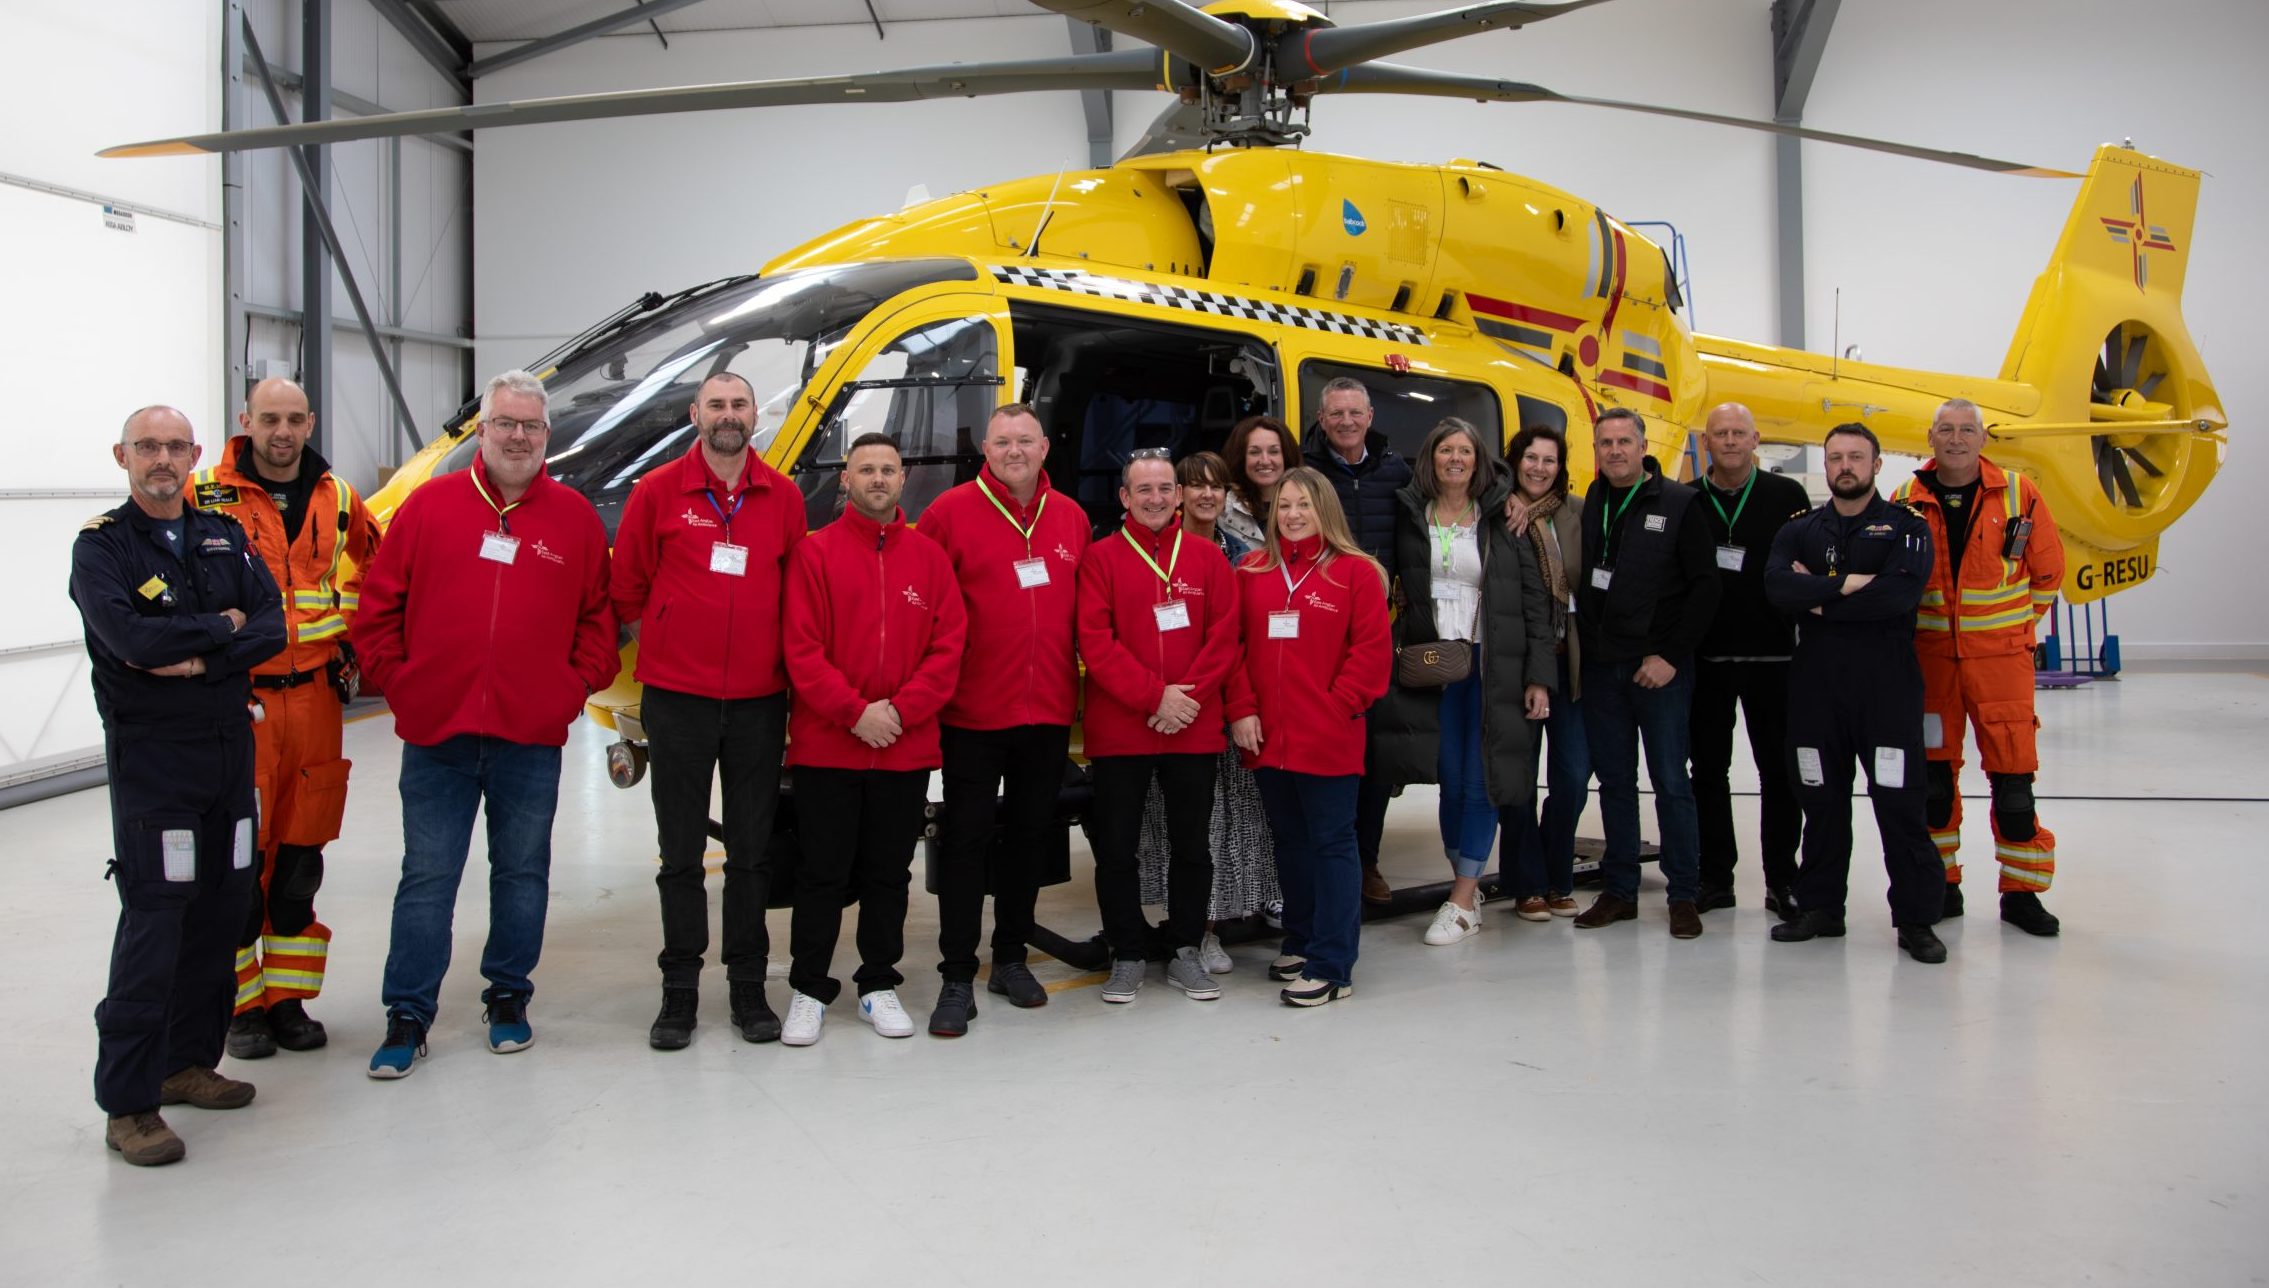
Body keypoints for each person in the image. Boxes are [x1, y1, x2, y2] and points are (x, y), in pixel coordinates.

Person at [353, 370, 620, 1078]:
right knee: (428, 878)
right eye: (506, 423)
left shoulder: (572, 520)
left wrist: (568, 690)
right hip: (437, 735)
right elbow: (375, 611)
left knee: (523, 874)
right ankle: (407, 1013)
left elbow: (599, 622)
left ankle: (508, 996)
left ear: (546, 437)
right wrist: (404, 688)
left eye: (531, 426)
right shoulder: (429, 509)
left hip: (528, 739)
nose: (518, 437)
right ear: (481, 430)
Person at [72, 405, 286, 1166]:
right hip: (155, 760)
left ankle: (186, 1062)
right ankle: (129, 1104)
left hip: (227, 749)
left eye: (174, 446)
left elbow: (272, 623)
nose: (162, 458)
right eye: (148, 447)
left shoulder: (221, 534)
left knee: (223, 907)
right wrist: (223, 633)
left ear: (195, 454)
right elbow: (129, 639)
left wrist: (198, 656)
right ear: (123, 456)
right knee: (156, 919)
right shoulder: (101, 548)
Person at [610, 371, 805, 1049]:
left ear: (755, 415)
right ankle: (680, 990)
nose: (728, 414)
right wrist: (665, 642)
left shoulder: (782, 497)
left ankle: (748, 988)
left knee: (752, 854)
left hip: (757, 701)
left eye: (739, 404)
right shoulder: (657, 492)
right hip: (678, 701)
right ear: (696, 414)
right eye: (716, 404)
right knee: (680, 854)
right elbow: (627, 587)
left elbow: (796, 596)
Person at [187, 378, 381, 1060]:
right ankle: (239, 1008)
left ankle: (288, 1001)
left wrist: (351, 623)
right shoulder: (202, 494)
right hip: (240, 701)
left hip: (318, 700)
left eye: (294, 419)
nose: (282, 431)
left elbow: (381, 564)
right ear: (246, 420)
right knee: (240, 860)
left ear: (310, 422)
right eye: (269, 418)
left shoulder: (339, 496)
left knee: (301, 860)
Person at [778, 434, 967, 1045]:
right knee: (822, 874)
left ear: (902, 478)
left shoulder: (930, 560)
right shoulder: (814, 555)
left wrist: (900, 712)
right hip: (829, 744)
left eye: (888, 470)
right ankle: (808, 989)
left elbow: (948, 648)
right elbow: (801, 651)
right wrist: (855, 713)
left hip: (902, 748)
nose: (878, 479)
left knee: (889, 873)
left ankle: (877, 983)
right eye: (866, 470)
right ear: (845, 479)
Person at [917, 403, 1091, 1036]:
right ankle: (956, 973)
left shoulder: (1070, 518)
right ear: (983, 450)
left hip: (1044, 711)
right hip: (970, 712)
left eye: (1025, 440)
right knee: (963, 842)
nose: (1014, 451)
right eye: (1002, 442)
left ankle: (1011, 958)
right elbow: (922, 604)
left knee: (1027, 839)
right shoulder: (949, 514)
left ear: (1043, 447)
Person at [1763, 424, 1948, 962]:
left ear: (1876, 465)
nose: (1846, 465)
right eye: (1836, 457)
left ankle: (1916, 920)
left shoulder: (1905, 528)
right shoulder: (1799, 529)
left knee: (1900, 804)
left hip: (1886, 692)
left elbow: (1898, 595)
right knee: (1819, 801)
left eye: (1856, 457)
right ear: (1825, 466)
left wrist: (1816, 596)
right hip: (1816, 692)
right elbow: (1777, 587)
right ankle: (1821, 908)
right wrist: (1850, 584)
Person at [1890, 398, 2066, 935]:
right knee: (1935, 784)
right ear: (1930, 436)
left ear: (1983, 438)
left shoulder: (2020, 493)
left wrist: (2008, 633)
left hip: (2001, 669)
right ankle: (1942, 885)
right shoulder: (1905, 499)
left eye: (1967, 429)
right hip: (1932, 667)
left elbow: (2048, 575)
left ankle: (2021, 895)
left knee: (2014, 786)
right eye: (1947, 429)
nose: (1957, 438)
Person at [1378, 419, 1553, 945]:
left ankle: (1461, 894)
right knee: (1448, 780)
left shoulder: (1502, 516)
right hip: (1433, 667)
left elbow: (1534, 602)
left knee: (1481, 781)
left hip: (1489, 666)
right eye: (1446, 450)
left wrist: (1539, 677)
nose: (1455, 459)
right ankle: (1467, 879)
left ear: (1479, 462)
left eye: (1465, 451)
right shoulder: (1410, 515)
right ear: (1431, 458)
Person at [1077, 451, 1241, 1003]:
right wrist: (1154, 696)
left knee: (1191, 845)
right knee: (1118, 849)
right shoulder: (1100, 559)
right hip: (1122, 726)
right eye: (1142, 489)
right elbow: (1095, 643)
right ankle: (1127, 953)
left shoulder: (1206, 557)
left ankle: (1185, 949)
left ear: (1177, 496)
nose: (1154, 498)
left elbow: (1225, 637)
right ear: (1124, 497)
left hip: (1192, 726)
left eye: (1163, 489)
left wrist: (1183, 700)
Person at [1227, 467, 1393, 1006]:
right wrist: (1243, 710)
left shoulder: (1356, 573)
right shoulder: (1252, 569)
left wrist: (1333, 709)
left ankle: (1333, 963)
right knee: (1290, 844)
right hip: (1267, 737)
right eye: (1284, 506)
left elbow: (1370, 657)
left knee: (1332, 845)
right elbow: (1235, 649)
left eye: (1304, 504)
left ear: (1325, 509)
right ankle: (1299, 938)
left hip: (1328, 737)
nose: (1293, 515)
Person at [1571, 408, 1721, 938]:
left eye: (1624, 442)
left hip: (1658, 670)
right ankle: (1620, 890)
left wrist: (1671, 656)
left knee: (1670, 782)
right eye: (1606, 443)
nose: (1615, 451)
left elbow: (1706, 587)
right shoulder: (1594, 501)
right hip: (1604, 668)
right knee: (1614, 783)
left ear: (1642, 446)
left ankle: (1683, 894)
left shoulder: (1681, 504)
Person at [1133, 452, 1280, 969]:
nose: (1205, 495)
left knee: (1222, 828)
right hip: (1165, 714)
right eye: (1194, 485)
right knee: (1183, 827)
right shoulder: (1150, 545)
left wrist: (1202, 698)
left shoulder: (1242, 553)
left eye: (1216, 486)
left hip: (1212, 705)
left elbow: (1231, 640)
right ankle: (1191, 927)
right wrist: (1166, 699)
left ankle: (1212, 925)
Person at [1686, 402, 1811, 918]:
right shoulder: (1687, 500)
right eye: (1721, 433)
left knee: (1779, 774)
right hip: (1707, 661)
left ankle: (1783, 878)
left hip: (1774, 657)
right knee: (1709, 772)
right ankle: (1716, 877)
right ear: (1706, 442)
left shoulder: (1788, 497)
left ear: (1756, 438)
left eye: (1739, 432)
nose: (1731, 441)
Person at [1304, 378, 1414, 907]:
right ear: (1321, 419)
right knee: (1323, 748)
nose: (1345, 422)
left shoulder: (1396, 470)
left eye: (1354, 413)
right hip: (1319, 628)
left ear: (1370, 416)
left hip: (1378, 629)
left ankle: (1365, 859)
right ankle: (1315, 861)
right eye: (1335, 414)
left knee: (1375, 754)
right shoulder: (1305, 473)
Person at [1501, 425, 1592, 920]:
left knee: (1574, 776)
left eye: (1549, 461)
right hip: (1517, 665)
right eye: (1531, 459)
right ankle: (1527, 883)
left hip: (1568, 659)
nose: (1539, 468)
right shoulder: (1500, 512)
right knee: (1518, 779)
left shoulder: (1575, 513)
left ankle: (1559, 873)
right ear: (1515, 462)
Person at [1220, 414, 1301, 553]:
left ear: (1286, 456)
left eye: (1274, 451)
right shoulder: (1222, 508)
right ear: (1240, 458)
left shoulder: (1311, 505)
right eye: (1254, 452)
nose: (1264, 460)